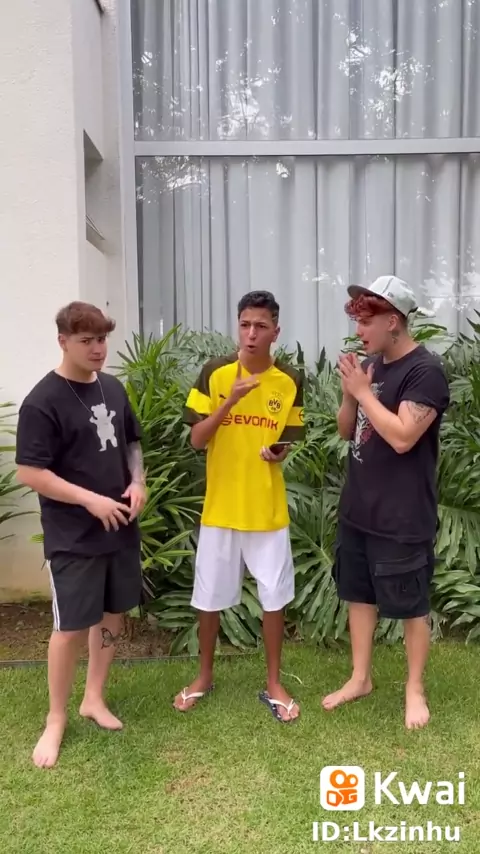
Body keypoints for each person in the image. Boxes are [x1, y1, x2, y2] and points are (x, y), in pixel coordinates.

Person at [15, 301, 146, 768]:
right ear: (63, 342)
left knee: (112, 615)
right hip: (74, 536)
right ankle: (56, 718)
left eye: (101, 339)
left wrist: (138, 481)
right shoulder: (43, 401)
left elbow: (132, 442)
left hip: (120, 528)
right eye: (86, 340)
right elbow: (31, 471)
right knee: (70, 627)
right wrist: (89, 500)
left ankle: (94, 697)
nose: (97, 349)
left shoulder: (112, 387)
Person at [322, 276, 450, 729]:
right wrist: (349, 394)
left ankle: (414, 688)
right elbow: (346, 430)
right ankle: (360, 678)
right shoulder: (370, 367)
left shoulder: (425, 372)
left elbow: (402, 437)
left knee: (411, 605)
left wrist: (362, 392)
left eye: (366, 321)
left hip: (402, 514)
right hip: (359, 508)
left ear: (393, 321)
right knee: (359, 595)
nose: (359, 331)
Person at [173, 291, 305, 722]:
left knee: (274, 597)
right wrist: (229, 401)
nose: (251, 334)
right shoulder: (215, 373)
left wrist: (278, 453)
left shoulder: (289, 380)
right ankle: (204, 677)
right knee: (209, 597)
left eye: (261, 326)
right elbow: (197, 440)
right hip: (221, 509)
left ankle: (274, 682)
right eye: (245, 324)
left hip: (267, 509)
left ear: (275, 332)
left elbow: (287, 441)